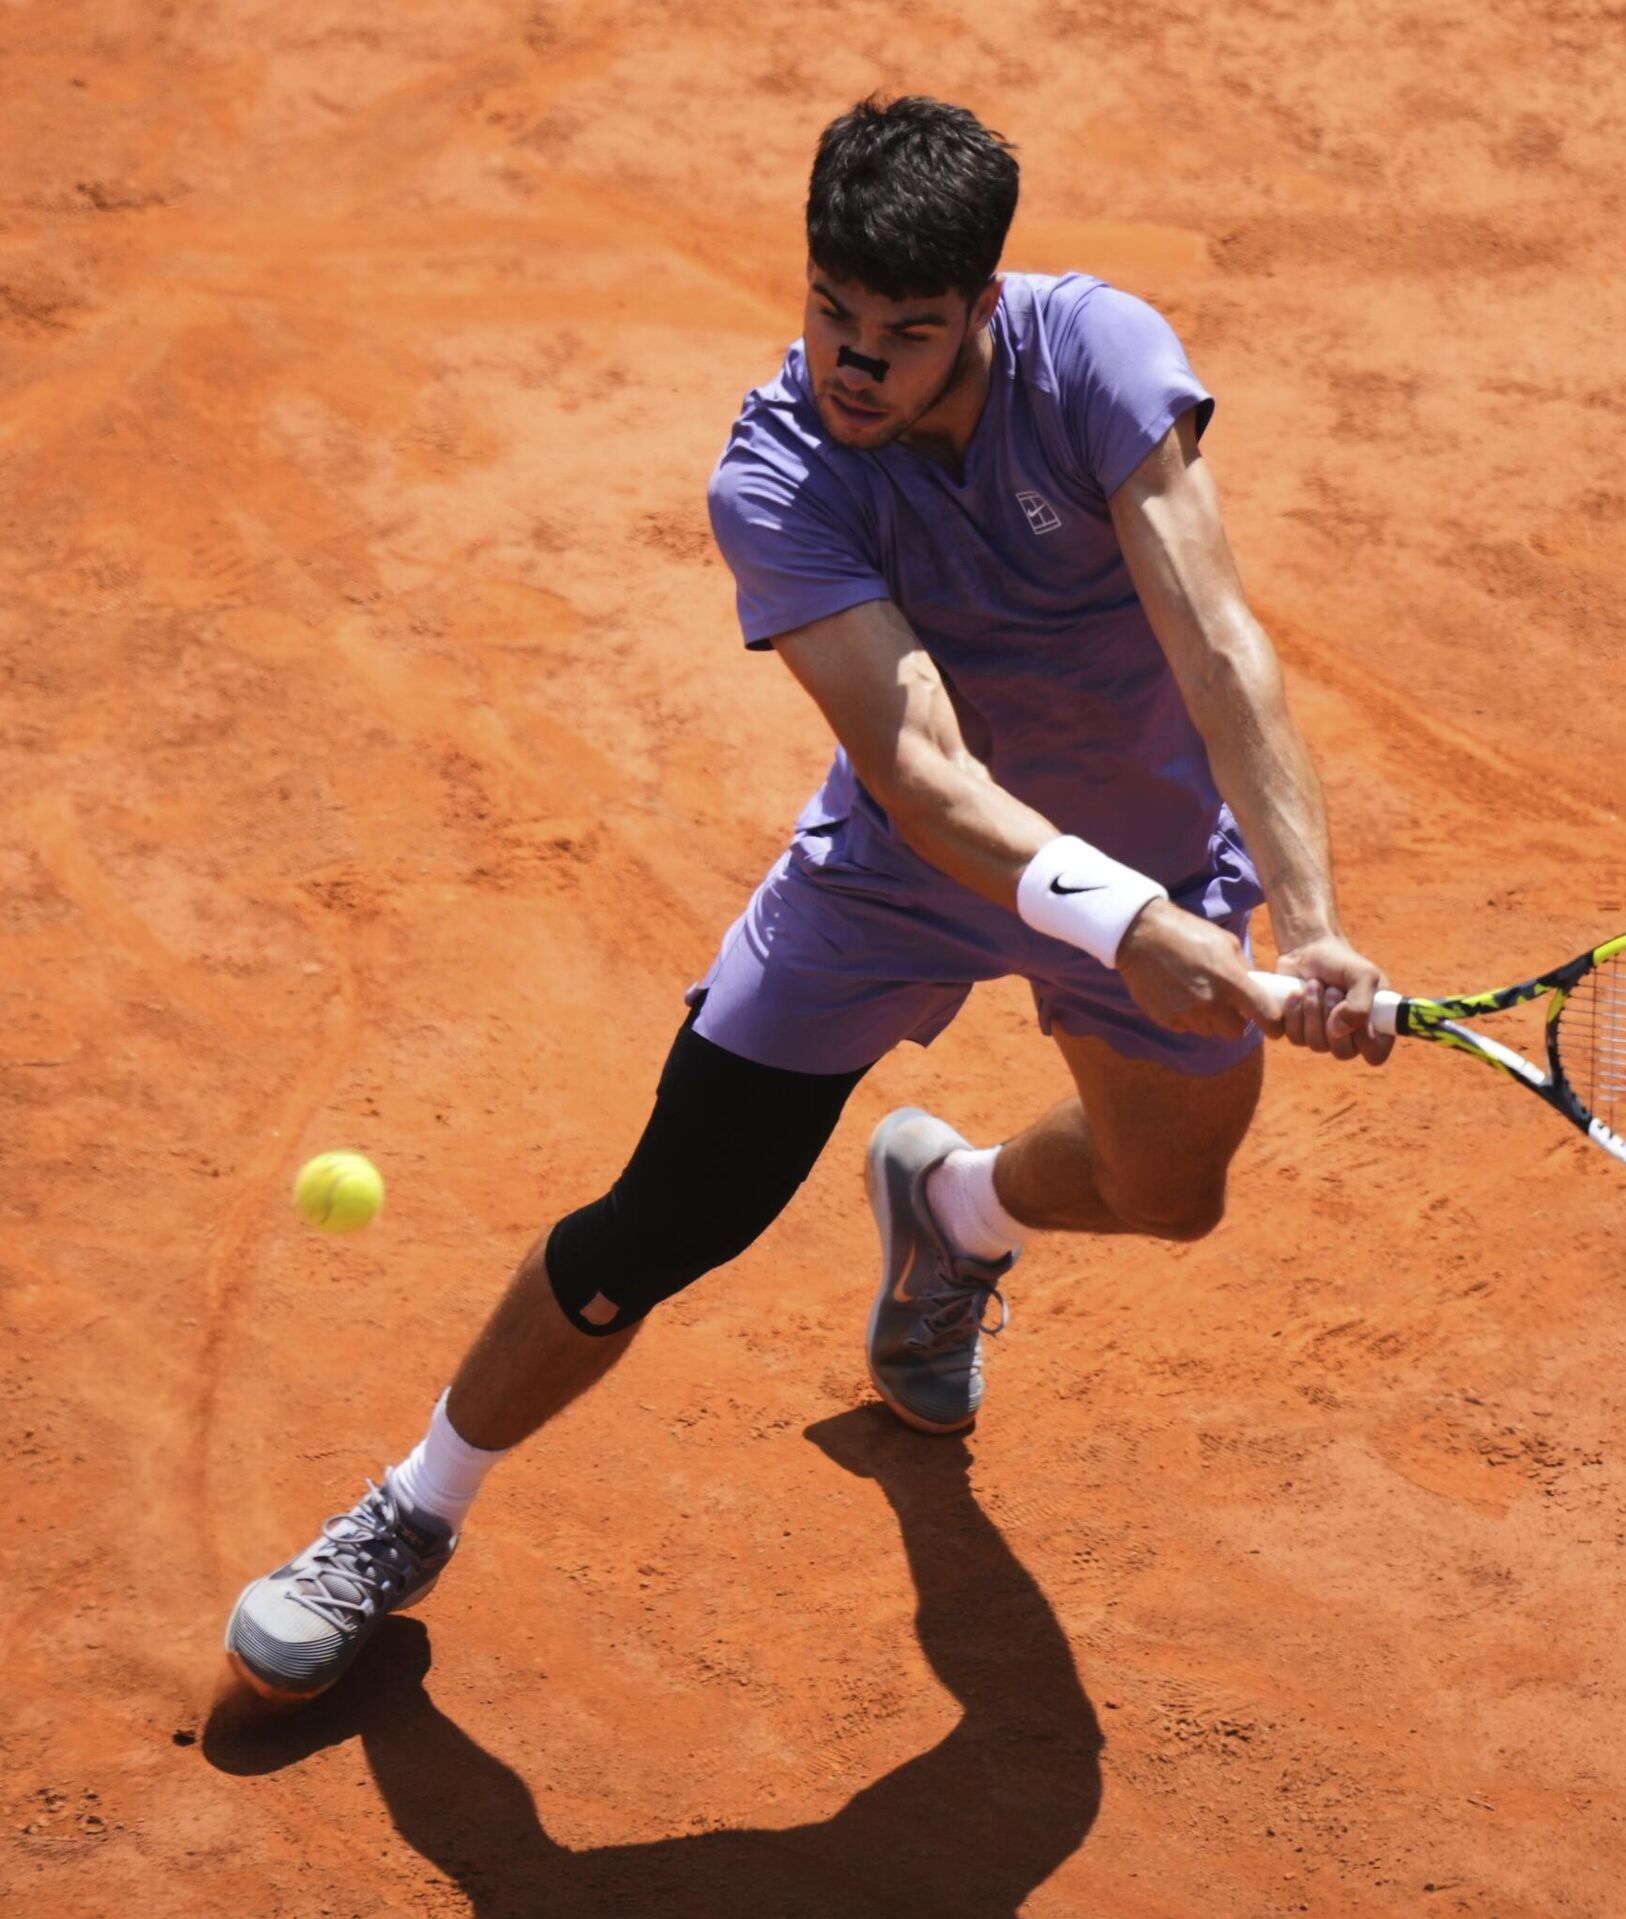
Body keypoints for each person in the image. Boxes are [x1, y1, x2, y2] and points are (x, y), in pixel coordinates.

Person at [224, 94, 1391, 1705]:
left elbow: (1217, 642)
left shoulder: (1100, 360)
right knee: (666, 1219)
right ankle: (409, 1510)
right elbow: (920, 770)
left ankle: (955, 1215)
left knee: (1170, 1195)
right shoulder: (776, 474)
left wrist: (1307, 918)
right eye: (832, 313)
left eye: (904, 333)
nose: (854, 361)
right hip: (908, 880)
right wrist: (1126, 924)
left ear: (983, 308)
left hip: (1156, 860)